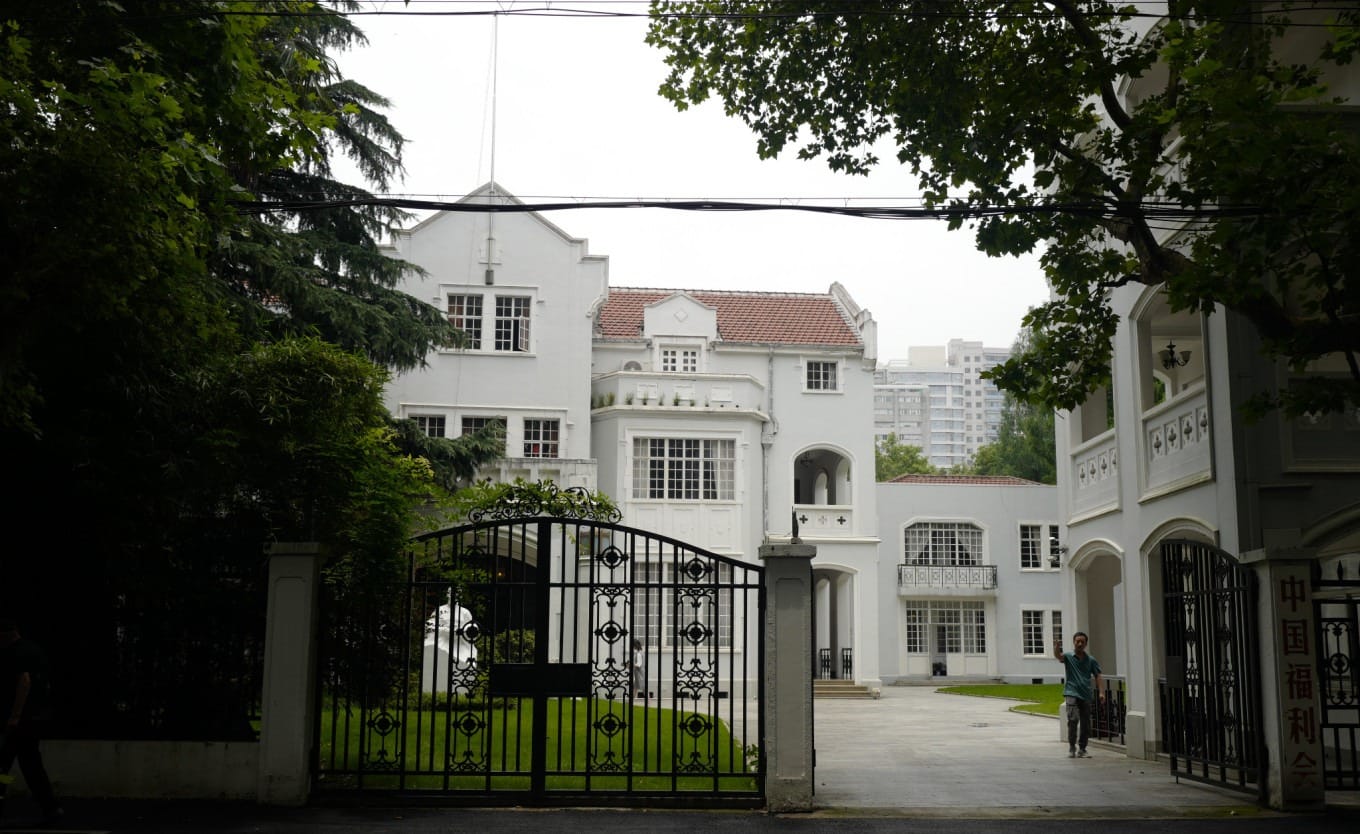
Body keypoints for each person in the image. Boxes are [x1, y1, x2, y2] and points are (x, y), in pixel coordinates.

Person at [0, 618, 61, 827]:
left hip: (21, 721)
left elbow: (24, 682)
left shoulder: (15, 653)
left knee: (4, 765)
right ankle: (50, 806)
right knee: (31, 765)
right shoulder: (35, 651)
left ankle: (2, 798)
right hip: (35, 719)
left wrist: (15, 715)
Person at [1054, 631, 1104, 759]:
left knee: (1086, 723)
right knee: (1073, 719)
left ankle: (1082, 748)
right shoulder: (1069, 657)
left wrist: (1101, 692)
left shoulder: (1091, 660)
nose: (1080, 644)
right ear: (1074, 642)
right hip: (1071, 692)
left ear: (1086, 643)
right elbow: (1059, 657)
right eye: (1078, 641)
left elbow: (1098, 675)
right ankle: (1072, 747)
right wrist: (1057, 648)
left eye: (1082, 642)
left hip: (1085, 694)